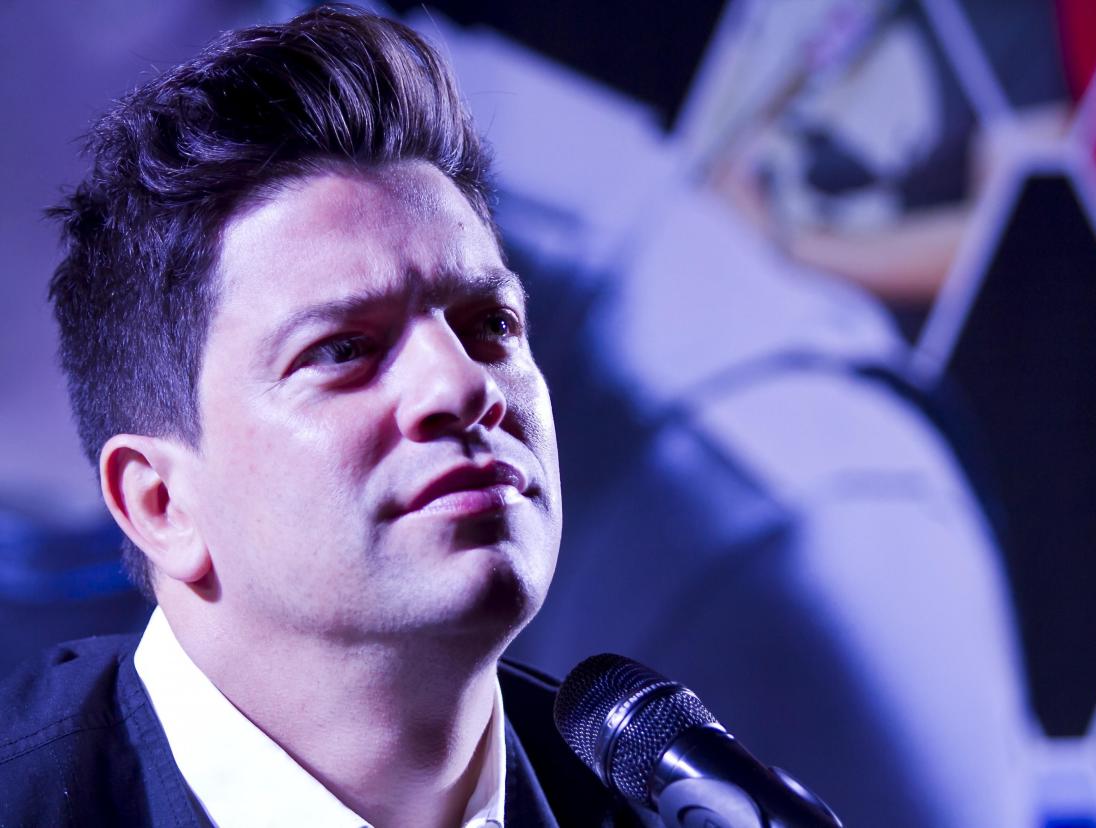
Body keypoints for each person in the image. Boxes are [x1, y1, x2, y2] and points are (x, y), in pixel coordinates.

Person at [0, 6, 641, 826]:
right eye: (343, 350)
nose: (463, 386)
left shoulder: (660, 803)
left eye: (491, 326)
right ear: (161, 504)